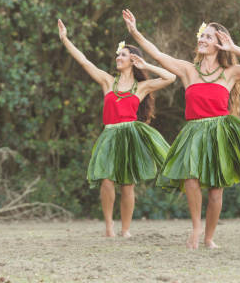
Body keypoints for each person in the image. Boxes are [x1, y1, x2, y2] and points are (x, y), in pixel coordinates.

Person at [122, 10, 240, 249]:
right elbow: (157, 54)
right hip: (194, 131)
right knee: (190, 179)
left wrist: (234, 48)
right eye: (203, 35)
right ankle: (196, 229)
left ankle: (209, 237)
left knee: (216, 191)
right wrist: (134, 31)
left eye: (209, 37)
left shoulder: (229, 73)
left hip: (219, 131)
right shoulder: (189, 70)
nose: (203, 39)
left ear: (219, 44)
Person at [58, 19, 176, 237]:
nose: (117, 57)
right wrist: (65, 39)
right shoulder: (107, 82)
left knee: (127, 185)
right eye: (118, 54)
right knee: (106, 179)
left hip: (130, 135)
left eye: (122, 55)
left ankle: (125, 229)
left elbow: (171, 77)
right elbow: (84, 61)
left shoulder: (140, 87)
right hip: (110, 134)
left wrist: (146, 65)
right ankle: (109, 227)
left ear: (132, 60)